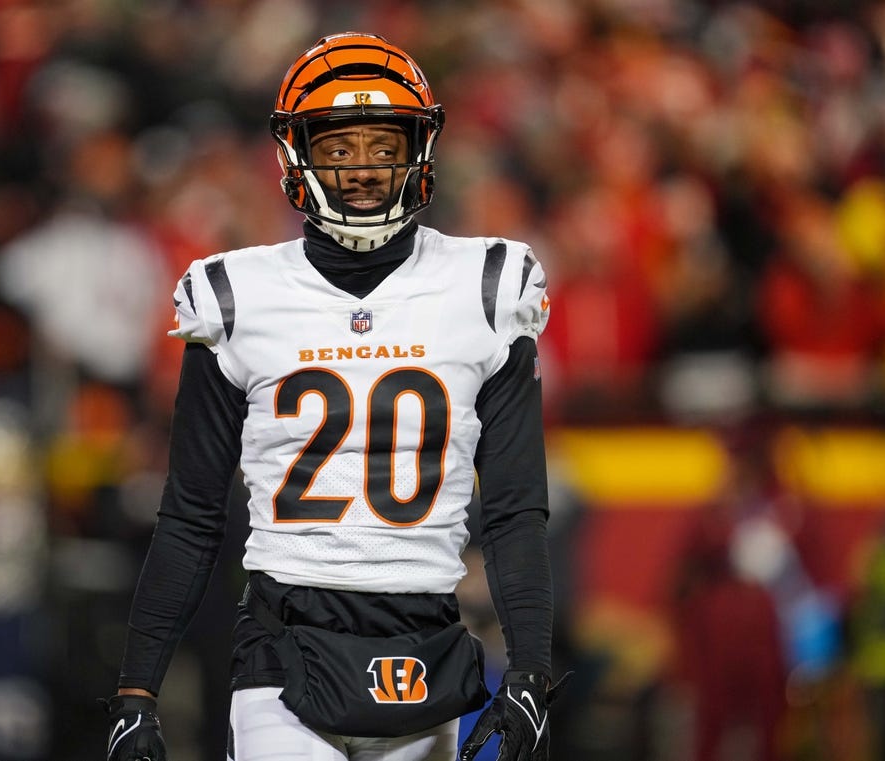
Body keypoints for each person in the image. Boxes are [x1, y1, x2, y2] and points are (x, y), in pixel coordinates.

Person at [103, 32, 564, 761]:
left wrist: (533, 669)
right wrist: (137, 691)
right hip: (284, 639)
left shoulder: (486, 286)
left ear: (419, 148)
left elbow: (513, 508)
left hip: (424, 641)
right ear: (297, 153)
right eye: (338, 146)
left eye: (383, 145)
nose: (362, 169)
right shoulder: (237, 295)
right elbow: (190, 511)